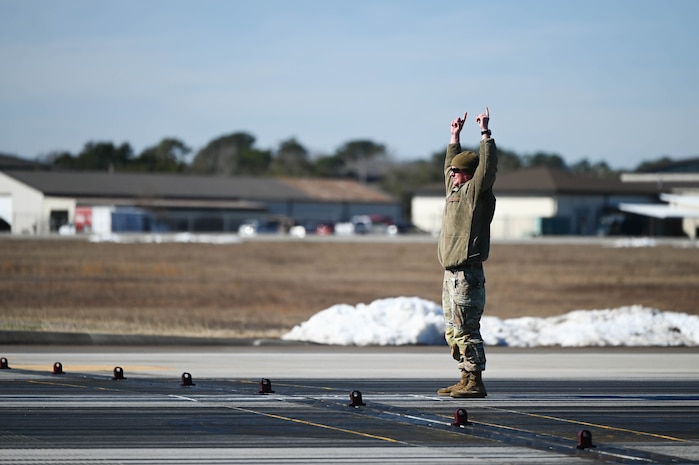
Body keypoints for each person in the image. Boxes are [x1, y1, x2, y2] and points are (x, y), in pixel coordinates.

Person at [436, 107, 497, 398]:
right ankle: (463, 376)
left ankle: (475, 381)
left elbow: (487, 169)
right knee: (452, 330)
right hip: (451, 274)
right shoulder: (455, 192)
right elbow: (449, 163)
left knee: (466, 329)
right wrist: (454, 137)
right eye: (452, 170)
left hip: (467, 274)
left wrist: (485, 133)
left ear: (469, 175)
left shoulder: (475, 193)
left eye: (457, 171)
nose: (452, 173)